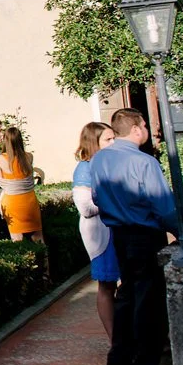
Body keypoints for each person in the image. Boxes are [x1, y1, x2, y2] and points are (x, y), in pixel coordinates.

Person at [91, 108, 180, 365]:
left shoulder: (99, 160)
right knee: (148, 299)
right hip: (144, 234)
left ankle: (119, 358)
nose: (147, 130)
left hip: (118, 234)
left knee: (127, 295)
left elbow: (96, 197)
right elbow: (163, 207)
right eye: (144, 125)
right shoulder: (145, 162)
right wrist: (182, 232)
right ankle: (145, 364)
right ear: (136, 128)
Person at [72, 121, 118, 340]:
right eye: (108, 139)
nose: (113, 142)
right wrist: (116, 201)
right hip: (101, 233)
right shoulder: (85, 168)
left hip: (118, 228)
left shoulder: (113, 163)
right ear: (94, 143)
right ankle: (115, 338)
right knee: (107, 284)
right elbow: (85, 207)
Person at [0, 126, 44, 246]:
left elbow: (0, 180)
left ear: (6, 140)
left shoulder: (0, 159)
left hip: (12, 201)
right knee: (38, 237)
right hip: (29, 200)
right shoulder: (29, 156)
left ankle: (24, 263)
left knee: (17, 238)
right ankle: (45, 262)